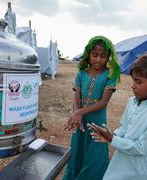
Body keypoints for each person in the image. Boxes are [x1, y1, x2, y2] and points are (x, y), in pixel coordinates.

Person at [88, 52, 147, 180]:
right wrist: (113, 134)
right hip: (120, 161)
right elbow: (124, 128)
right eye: (133, 80)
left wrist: (112, 139)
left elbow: (141, 148)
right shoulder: (132, 102)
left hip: (139, 170)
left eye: (138, 82)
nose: (133, 85)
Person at [62, 35, 121, 180]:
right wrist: (77, 114)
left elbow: (103, 102)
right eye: (95, 55)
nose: (98, 59)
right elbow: (77, 98)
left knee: (95, 153)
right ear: (88, 54)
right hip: (80, 120)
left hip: (97, 120)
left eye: (103, 56)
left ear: (109, 57)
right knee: (77, 150)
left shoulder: (110, 75)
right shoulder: (81, 74)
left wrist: (79, 112)